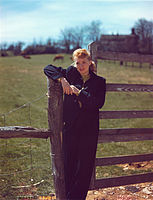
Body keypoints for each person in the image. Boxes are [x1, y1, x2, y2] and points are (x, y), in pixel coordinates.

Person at [44, 49, 106, 200]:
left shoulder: (99, 82)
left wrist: (79, 93)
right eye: (78, 62)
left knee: (84, 168)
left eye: (84, 62)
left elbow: (97, 103)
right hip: (70, 128)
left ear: (90, 62)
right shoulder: (71, 74)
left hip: (89, 131)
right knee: (68, 164)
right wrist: (62, 80)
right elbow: (47, 68)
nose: (80, 66)